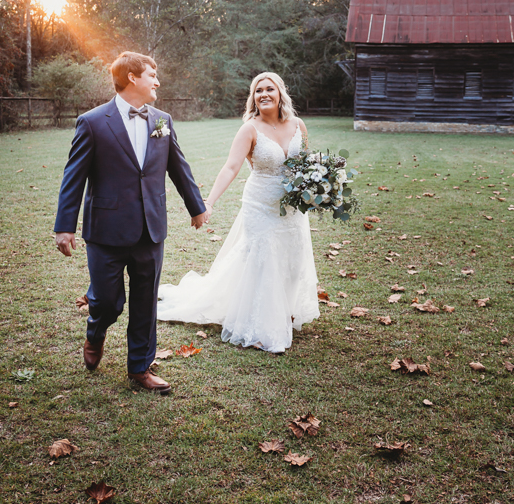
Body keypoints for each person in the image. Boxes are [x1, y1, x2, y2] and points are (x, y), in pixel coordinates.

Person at [53, 51, 208, 395]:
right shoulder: (92, 122)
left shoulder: (161, 120)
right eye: (152, 74)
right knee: (108, 302)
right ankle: (96, 329)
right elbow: (73, 177)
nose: (157, 81)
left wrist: (196, 207)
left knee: (145, 300)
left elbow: (177, 166)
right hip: (106, 230)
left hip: (151, 227)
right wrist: (65, 226)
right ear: (132, 78)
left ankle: (140, 366)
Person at [157, 72, 319, 353]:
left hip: (293, 208)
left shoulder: (298, 125)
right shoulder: (249, 129)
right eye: (258, 91)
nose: (264, 94)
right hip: (261, 205)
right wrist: (208, 202)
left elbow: (306, 164)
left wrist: (319, 187)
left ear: (280, 93)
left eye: (270, 89)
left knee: (292, 256)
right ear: (253, 98)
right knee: (263, 259)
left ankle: (285, 309)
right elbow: (231, 167)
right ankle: (257, 327)